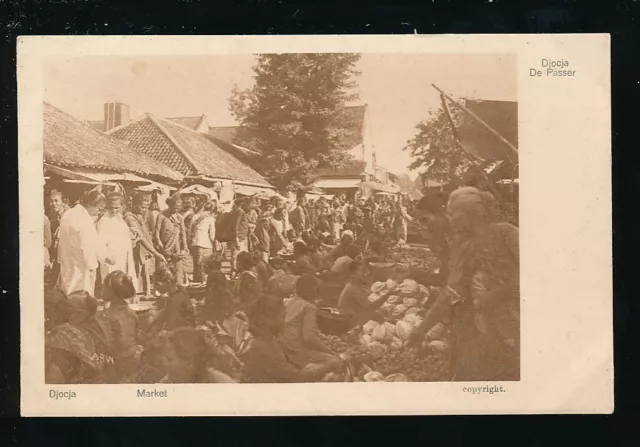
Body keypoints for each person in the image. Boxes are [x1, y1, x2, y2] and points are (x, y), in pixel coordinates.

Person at [408, 187, 520, 381]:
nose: (449, 218)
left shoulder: (507, 233)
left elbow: (538, 273)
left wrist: (496, 294)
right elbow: (451, 292)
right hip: (484, 331)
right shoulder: (464, 246)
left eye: (452, 213)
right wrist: (422, 329)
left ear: (472, 214)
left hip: (517, 324)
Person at [242, 294, 344, 383]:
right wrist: (327, 367)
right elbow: (296, 378)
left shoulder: (271, 340)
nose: (284, 322)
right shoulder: (261, 347)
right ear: (265, 320)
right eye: (281, 317)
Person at [45, 290, 117, 384]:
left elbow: (94, 366)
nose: (66, 312)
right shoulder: (92, 324)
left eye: (69, 308)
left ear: (82, 314)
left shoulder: (77, 332)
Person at [280, 274, 343, 372]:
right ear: (313, 290)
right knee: (336, 361)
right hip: (296, 352)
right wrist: (330, 352)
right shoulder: (308, 307)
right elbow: (309, 338)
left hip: (285, 349)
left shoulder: (288, 302)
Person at [57, 190, 113, 297]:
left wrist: (104, 256)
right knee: (82, 298)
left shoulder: (68, 213)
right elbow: (87, 245)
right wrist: (92, 266)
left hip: (67, 262)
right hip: (81, 266)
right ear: (90, 204)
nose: (98, 212)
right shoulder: (84, 218)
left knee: (68, 294)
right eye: (98, 209)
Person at [143, 328, 237, 383]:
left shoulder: (222, 384)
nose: (162, 362)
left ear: (190, 363)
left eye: (169, 359)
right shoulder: (167, 383)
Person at [124, 192, 166, 297]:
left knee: (145, 272)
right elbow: (141, 238)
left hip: (144, 249)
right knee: (136, 272)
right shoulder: (130, 218)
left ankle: (144, 293)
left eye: (146, 207)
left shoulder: (140, 216)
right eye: (142, 207)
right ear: (134, 205)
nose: (144, 209)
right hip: (135, 249)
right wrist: (156, 253)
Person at [101, 270, 140, 382]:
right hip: (131, 358)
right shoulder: (132, 313)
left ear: (112, 291)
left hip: (116, 363)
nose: (102, 288)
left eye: (104, 286)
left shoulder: (107, 315)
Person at [96, 192, 138, 294]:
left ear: (122, 206)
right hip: (111, 261)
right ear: (107, 206)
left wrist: (129, 231)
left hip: (122, 259)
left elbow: (119, 236)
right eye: (111, 208)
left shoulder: (120, 219)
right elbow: (99, 244)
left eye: (117, 208)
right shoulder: (103, 221)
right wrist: (106, 257)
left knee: (122, 286)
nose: (114, 210)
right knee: (110, 287)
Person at [153, 193, 189, 286]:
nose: (176, 210)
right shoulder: (161, 216)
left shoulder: (179, 217)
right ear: (169, 205)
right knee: (163, 266)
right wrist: (159, 242)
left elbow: (183, 233)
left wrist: (185, 246)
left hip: (176, 244)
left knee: (178, 265)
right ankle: (162, 286)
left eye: (178, 208)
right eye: (174, 208)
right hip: (164, 245)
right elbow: (157, 231)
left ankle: (179, 285)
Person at [338, 261, 386, 327]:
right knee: (378, 317)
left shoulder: (354, 284)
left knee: (379, 315)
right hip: (349, 319)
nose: (365, 273)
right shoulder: (353, 287)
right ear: (354, 273)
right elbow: (371, 307)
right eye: (363, 271)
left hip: (352, 314)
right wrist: (387, 295)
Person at [151, 263, 195, 332]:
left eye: (158, 284)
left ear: (167, 282)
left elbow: (171, 326)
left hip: (182, 335)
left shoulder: (175, 299)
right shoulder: (180, 289)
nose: (156, 287)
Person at [189, 199, 217, 285]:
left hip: (195, 243)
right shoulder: (210, 219)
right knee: (205, 265)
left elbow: (190, 232)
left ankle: (196, 282)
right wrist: (215, 244)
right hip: (206, 244)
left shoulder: (194, 216)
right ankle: (204, 282)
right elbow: (212, 235)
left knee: (197, 265)